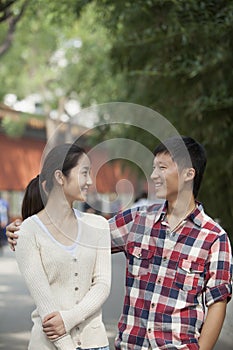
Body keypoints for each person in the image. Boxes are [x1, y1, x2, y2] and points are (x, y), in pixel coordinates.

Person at [6, 136, 232, 350]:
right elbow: (76, 237)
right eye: (153, 168)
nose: (153, 175)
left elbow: (217, 304)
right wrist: (29, 231)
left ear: (188, 174)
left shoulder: (214, 238)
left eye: (162, 168)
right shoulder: (137, 220)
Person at [9, 143, 111, 350]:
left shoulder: (98, 225)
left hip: (96, 343)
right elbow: (45, 303)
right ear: (60, 177)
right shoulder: (28, 231)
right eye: (84, 173)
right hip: (48, 345)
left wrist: (68, 319)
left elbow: (102, 284)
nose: (90, 181)